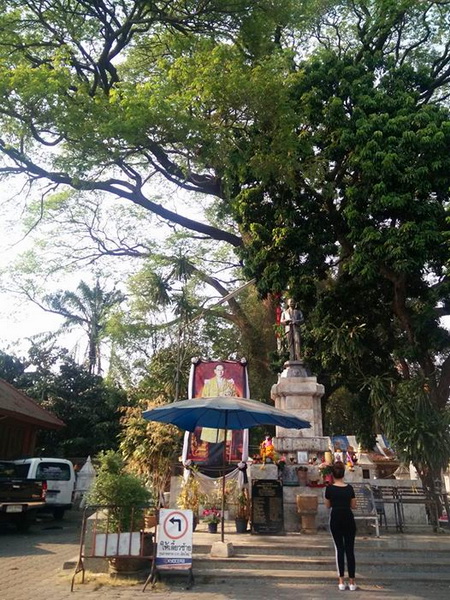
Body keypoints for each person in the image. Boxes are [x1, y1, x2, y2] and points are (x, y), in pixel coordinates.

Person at [324, 461, 357, 591]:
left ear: (332, 474)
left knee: (339, 549)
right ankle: (352, 582)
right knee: (350, 550)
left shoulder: (329, 488)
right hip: (348, 517)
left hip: (336, 517)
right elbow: (353, 505)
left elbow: (327, 505)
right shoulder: (349, 488)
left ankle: (341, 581)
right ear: (343, 474)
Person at [200, 364, 237, 444]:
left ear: (224, 371)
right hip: (212, 412)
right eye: (218, 370)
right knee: (211, 440)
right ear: (215, 371)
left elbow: (235, 397)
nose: (220, 372)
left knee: (222, 438)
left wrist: (227, 396)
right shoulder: (209, 383)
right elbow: (204, 397)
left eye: (222, 370)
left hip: (224, 413)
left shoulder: (229, 384)